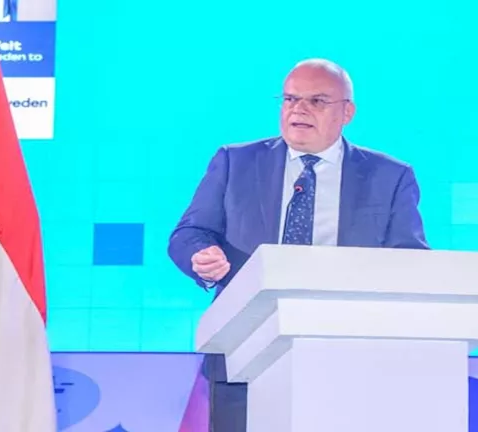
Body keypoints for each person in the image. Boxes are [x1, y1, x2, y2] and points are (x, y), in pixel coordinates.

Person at [167, 58, 429, 431]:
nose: (298, 109)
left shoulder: (389, 176)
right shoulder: (236, 162)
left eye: (316, 101)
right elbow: (189, 232)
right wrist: (201, 255)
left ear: (347, 112)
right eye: (290, 99)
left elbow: (410, 261)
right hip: (244, 347)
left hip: (349, 353)